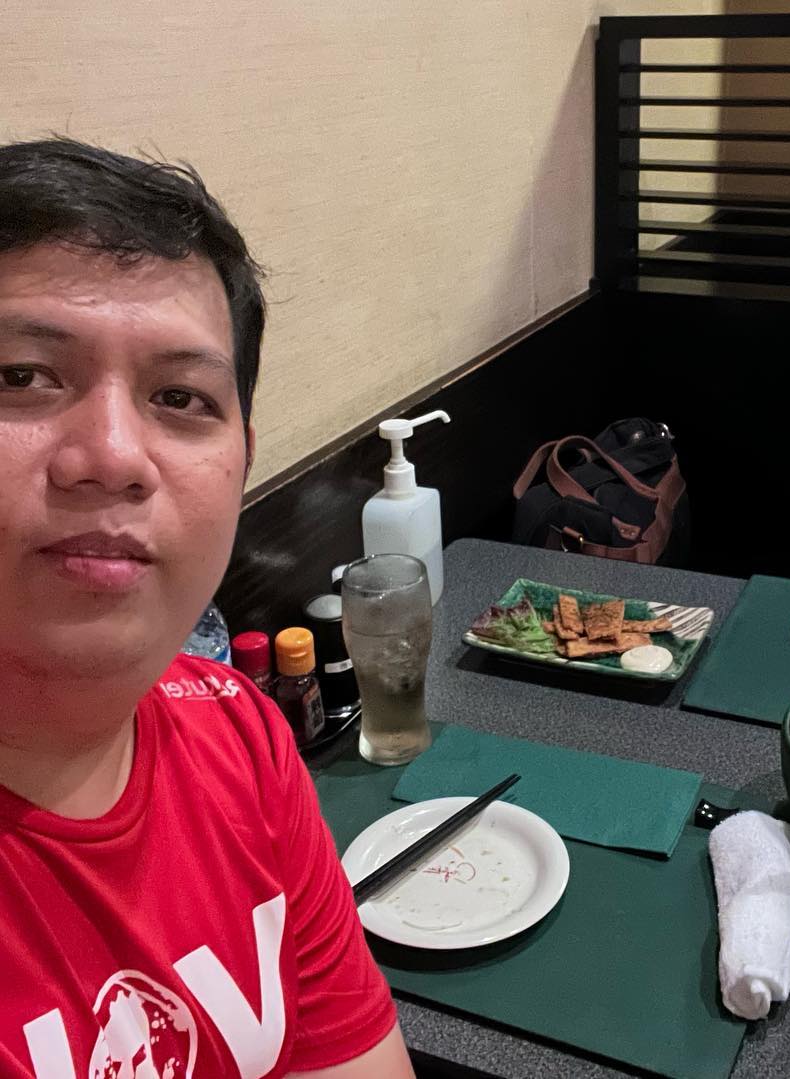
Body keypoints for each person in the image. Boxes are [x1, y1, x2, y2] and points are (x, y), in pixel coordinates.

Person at [0, 139, 415, 1077]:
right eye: (21, 375)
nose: (114, 455)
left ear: (241, 461)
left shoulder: (237, 733)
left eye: (180, 396)